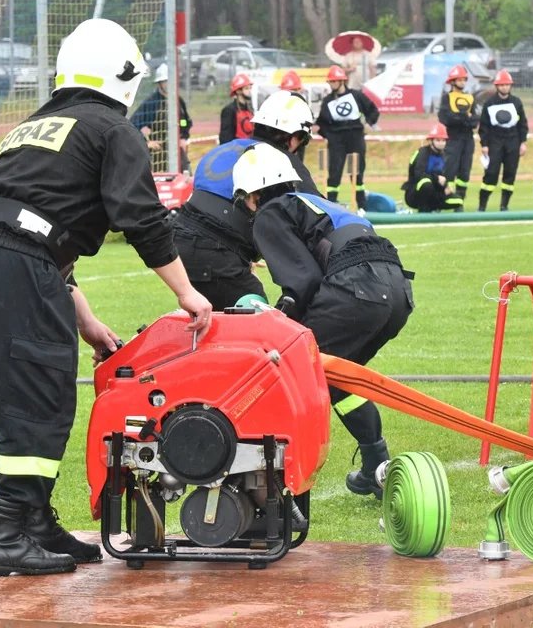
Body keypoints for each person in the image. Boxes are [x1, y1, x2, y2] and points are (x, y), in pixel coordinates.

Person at [0, 19, 213, 577]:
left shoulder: (37, 122)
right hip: (20, 259)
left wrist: (85, 318)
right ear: (122, 76)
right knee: (41, 398)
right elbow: (141, 218)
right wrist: (187, 292)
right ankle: (4, 534)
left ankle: (34, 521)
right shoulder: (113, 129)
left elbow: (35, 222)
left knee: (15, 397)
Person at [231, 144, 413, 498]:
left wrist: (278, 325)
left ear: (252, 195)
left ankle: (279, 487)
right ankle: (377, 467)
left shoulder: (271, 212)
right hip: (397, 293)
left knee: (289, 376)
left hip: (355, 290)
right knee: (338, 378)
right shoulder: (321, 203)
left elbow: (303, 282)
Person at [172, 91, 320, 310]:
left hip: (178, 245)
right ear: (295, 136)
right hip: (217, 254)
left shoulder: (222, 150)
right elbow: (315, 216)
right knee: (261, 330)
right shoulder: (280, 161)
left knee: (215, 327)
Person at [317, 65, 379, 210]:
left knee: (356, 174)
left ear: (342, 81)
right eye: (330, 82)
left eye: (334, 81)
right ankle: (331, 206)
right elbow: (321, 123)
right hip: (336, 141)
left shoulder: (356, 96)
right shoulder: (327, 101)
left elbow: (373, 111)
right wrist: (328, 136)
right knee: (334, 174)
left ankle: (361, 206)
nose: (332, 84)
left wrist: (369, 124)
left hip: (355, 138)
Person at [477, 70, 528, 212]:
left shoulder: (516, 102)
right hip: (495, 141)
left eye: (507, 85)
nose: (505, 87)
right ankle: (482, 206)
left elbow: (522, 124)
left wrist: (523, 142)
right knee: (491, 173)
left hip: (513, 141)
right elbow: (484, 126)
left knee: (510, 174)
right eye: (502, 85)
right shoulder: (489, 103)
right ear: (497, 86)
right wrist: (485, 145)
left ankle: (504, 206)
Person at [130, 63, 192, 173]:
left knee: (186, 176)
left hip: (176, 151)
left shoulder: (178, 101)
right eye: (165, 81)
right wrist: (146, 143)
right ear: (159, 83)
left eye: (171, 81)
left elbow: (184, 121)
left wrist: (184, 137)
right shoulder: (152, 103)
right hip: (158, 155)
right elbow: (132, 125)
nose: (169, 84)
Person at [436, 64, 478, 211]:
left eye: (463, 80)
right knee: (448, 170)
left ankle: (459, 202)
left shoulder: (470, 98)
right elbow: (445, 119)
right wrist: (465, 117)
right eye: (459, 80)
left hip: (468, 139)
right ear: (452, 82)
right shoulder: (447, 98)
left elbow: (475, 121)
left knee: (464, 172)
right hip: (453, 138)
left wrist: (461, 118)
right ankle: (443, 200)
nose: (462, 83)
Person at [404, 124, 460, 213]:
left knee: (458, 200)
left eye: (443, 140)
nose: (441, 143)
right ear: (430, 141)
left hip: (433, 191)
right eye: (438, 140)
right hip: (414, 193)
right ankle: (423, 210)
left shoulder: (443, 155)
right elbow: (419, 175)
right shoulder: (423, 153)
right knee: (426, 183)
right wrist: (436, 178)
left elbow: (442, 177)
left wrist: (446, 187)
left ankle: (433, 208)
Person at [219, 73, 255, 145]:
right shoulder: (229, 110)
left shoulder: (250, 109)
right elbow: (225, 137)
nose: (250, 91)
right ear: (238, 91)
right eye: (246, 88)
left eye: (250, 88)